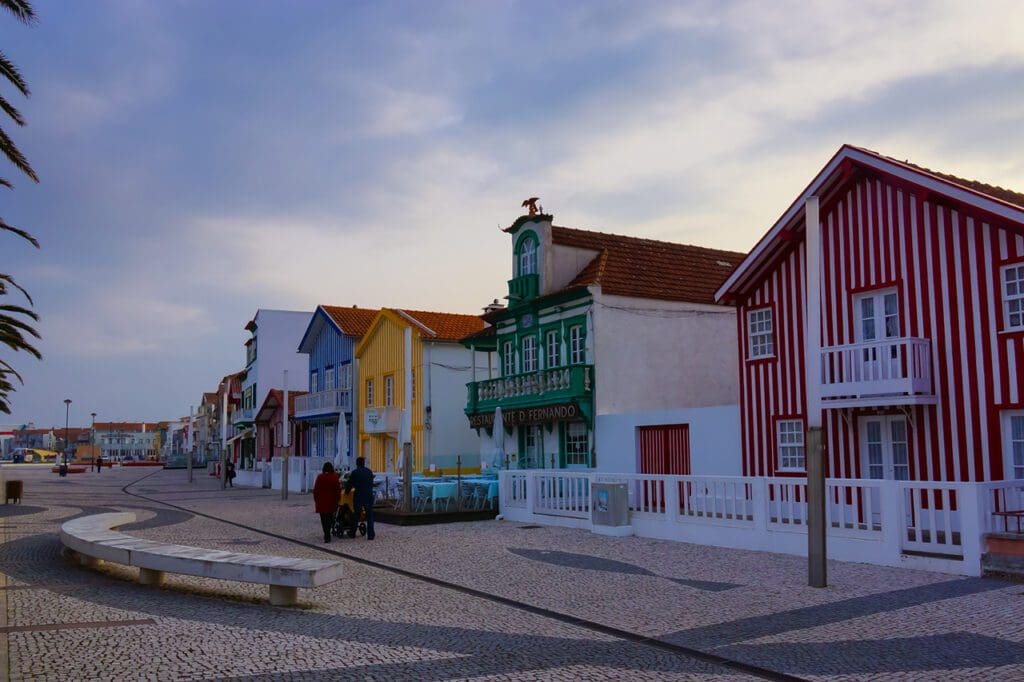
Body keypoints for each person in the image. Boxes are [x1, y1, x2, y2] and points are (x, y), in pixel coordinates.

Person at [345, 456, 375, 540]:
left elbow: (350, 484)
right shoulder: (369, 472)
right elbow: (371, 483)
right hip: (368, 495)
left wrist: (347, 492)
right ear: (363, 463)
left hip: (359, 496)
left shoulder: (355, 472)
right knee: (369, 515)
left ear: (357, 463)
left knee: (356, 515)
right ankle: (371, 534)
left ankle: (352, 532)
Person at [312, 461, 341, 543]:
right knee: (330, 517)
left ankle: (327, 534)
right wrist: (338, 499)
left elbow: (316, 490)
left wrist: (316, 500)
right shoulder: (334, 477)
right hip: (332, 502)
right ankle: (329, 531)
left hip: (321, 503)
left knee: (324, 520)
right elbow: (337, 490)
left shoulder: (320, 477)